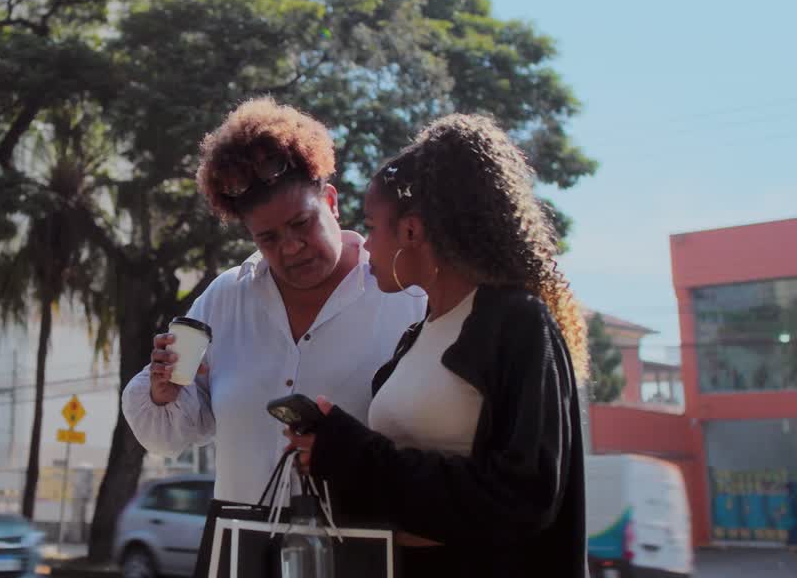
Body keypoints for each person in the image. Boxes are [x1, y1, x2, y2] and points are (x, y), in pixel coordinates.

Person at [287, 114, 590, 577]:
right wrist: (328, 451)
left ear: (411, 232)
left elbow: (524, 498)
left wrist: (354, 454)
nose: (365, 246)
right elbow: (395, 488)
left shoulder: (516, 323)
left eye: (371, 227)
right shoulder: (415, 338)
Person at [121, 97, 424, 504]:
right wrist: (164, 391)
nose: (292, 247)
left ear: (331, 203)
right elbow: (169, 436)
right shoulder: (224, 299)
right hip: (238, 549)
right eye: (268, 238)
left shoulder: (407, 293)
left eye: (302, 223)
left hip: (362, 549)